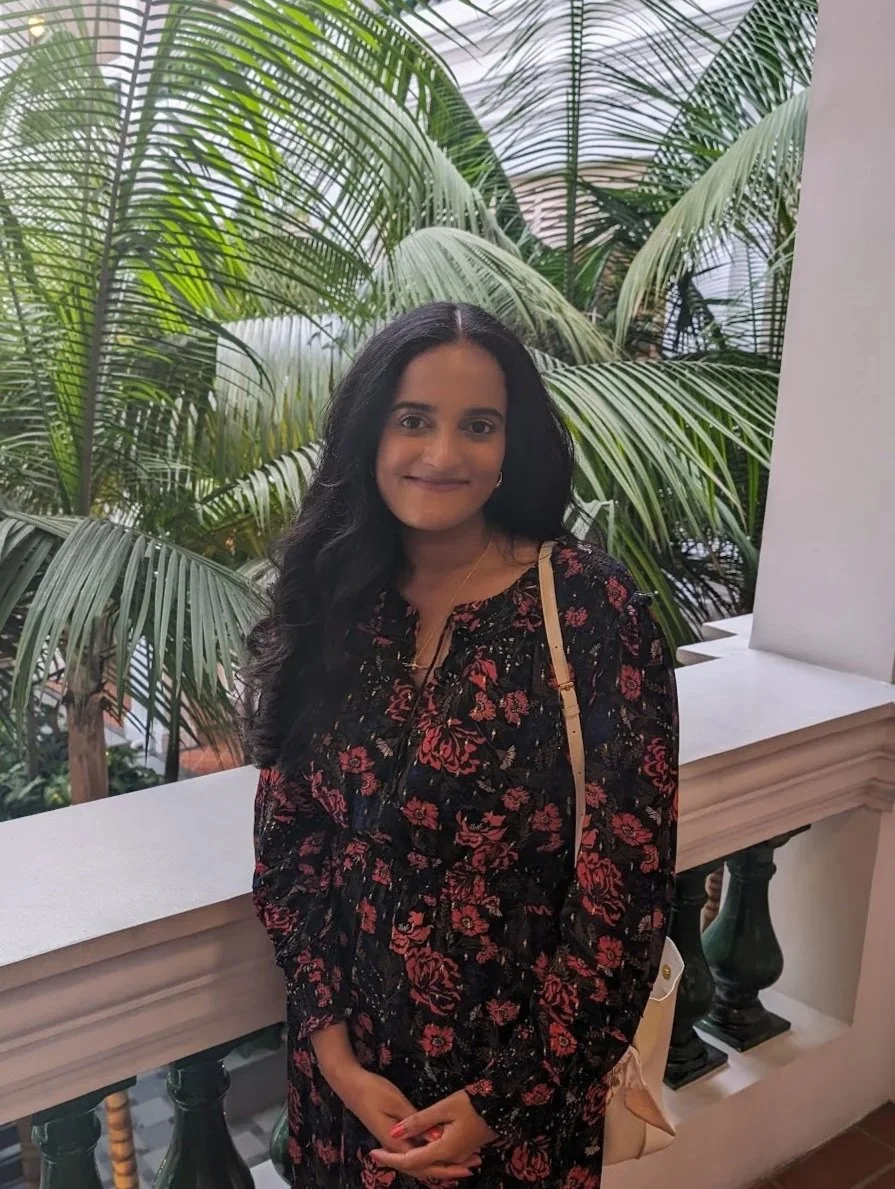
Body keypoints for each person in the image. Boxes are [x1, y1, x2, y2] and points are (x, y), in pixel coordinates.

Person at [245, 302, 679, 1189]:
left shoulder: (591, 611)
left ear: (511, 445)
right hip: (352, 1092)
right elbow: (291, 837)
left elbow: (622, 893)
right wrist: (332, 1055)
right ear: (369, 430)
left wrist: (503, 1104)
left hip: (520, 1100)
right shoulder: (337, 593)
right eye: (413, 420)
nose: (442, 455)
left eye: (477, 426)